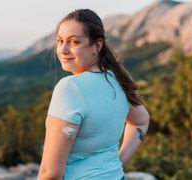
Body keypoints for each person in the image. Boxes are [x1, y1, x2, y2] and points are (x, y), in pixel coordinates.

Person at [37, 9, 150, 180]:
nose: (63, 49)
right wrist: (117, 161)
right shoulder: (118, 79)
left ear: (97, 45)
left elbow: (50, 173)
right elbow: (141, 121)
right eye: (60, 41)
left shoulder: (70, 88)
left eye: (74, 42)